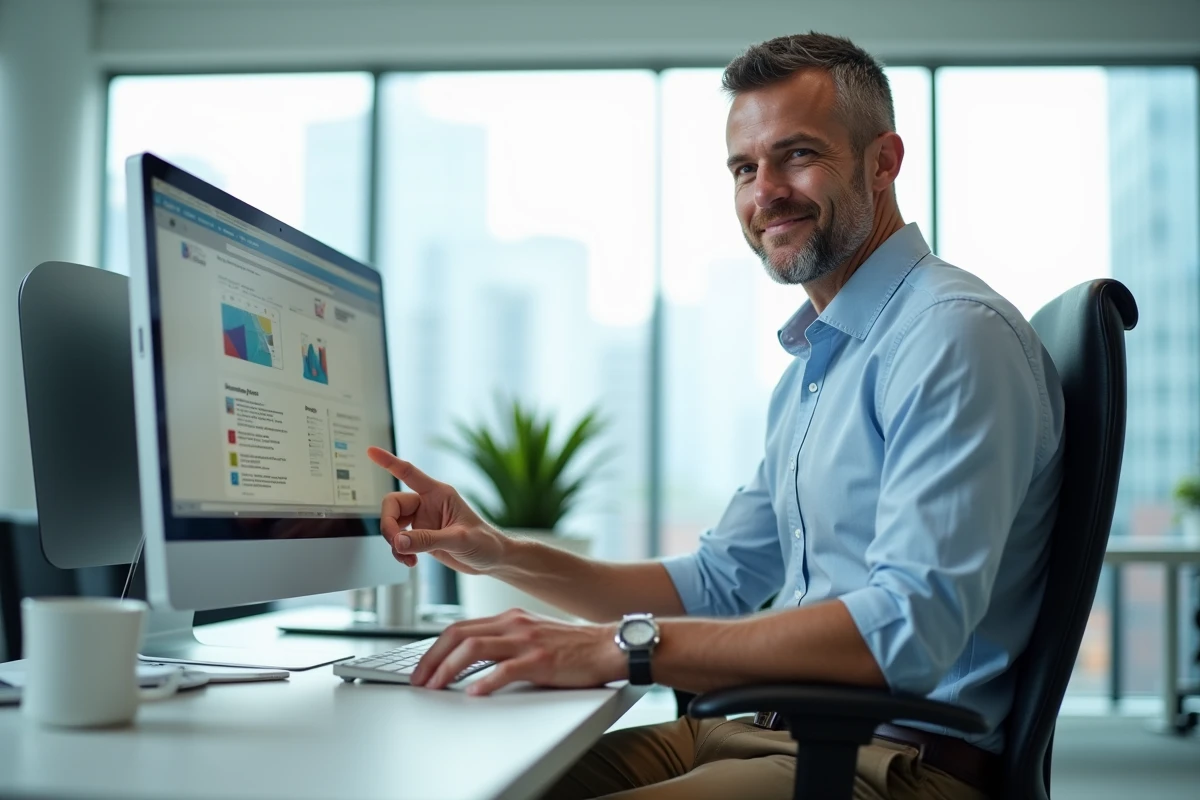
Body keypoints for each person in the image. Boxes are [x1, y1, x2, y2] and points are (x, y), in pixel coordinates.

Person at [366, 31, 1064, 800]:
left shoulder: (950, 335)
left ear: (883, 161)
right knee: (465, 782)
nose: (765, 191)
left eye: (797, 154)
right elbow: (714, 584)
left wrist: (625, 648)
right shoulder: (820, 365)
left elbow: (906, 628)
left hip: (885, 764)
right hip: (755, 732)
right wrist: (500, 554)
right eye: (744, 167)